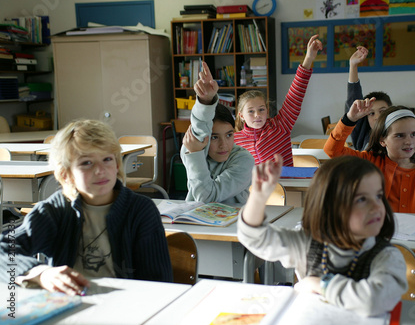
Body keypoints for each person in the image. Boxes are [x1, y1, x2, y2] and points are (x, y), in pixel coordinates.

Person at [0, 119, 173, 294]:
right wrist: (41, 273)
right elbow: (3, 251)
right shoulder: (55, 210)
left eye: (107, 159)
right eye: (86, 163)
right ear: (65, 174)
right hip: (70, 304)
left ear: (117, 165)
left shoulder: (141, 211)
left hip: (126, 307)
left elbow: (159, 282)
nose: (100, 170)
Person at [238, 154, 407, 316]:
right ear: (329, 209)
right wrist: (258, 198)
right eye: (361, 199)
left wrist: (320, 284)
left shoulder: (387, 256)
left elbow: (373, 301)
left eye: (378, 196)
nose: (377, 207)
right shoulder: (307, 245)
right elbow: (254, 239)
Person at [324, 100, 415, 214]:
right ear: (382, 140)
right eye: (400, 136)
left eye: (413, 134)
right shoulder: (368, 163)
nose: (409, 141)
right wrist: (349, 119)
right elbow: (333, 151)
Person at [234, 34, 323, 167]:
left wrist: (308, 58)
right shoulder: (234, 140)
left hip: (285, 186)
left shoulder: (280, 126)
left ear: (267, 110)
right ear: (241, 116)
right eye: (251, 111)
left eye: (261, 109)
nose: (257, 114)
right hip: (252, 187)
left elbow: (295, 96)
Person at [181, 61, 254, 205]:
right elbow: (201, 130)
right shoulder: (192, 149)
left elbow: (207, 198)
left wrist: (195, 155)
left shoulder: (243, 160)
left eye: (229, 135)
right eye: (214, 137)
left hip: (236, 224)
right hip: (197, 222)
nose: (224, 145)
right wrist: (205, 101)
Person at [346, 46, 392, 150]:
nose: (377, 117)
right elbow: (354, 99)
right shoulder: (363, 135)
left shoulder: (398, 136)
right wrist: (353, 65)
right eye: (371, 113)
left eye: (383, 111)